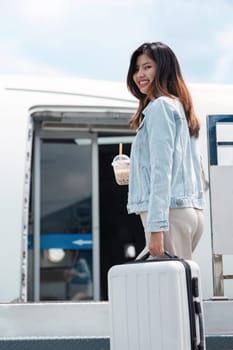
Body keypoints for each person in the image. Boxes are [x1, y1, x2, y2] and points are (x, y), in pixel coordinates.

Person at [126, 42, 205, 260]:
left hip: (169, 215)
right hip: (188, 212)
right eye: (136, 69)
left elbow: (162, 171)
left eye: (147, 67)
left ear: (163, 68)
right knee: (176, 285)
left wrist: (156, 228)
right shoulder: (180, 107)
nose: (139, 74)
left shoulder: (160, 107)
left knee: (169, 290)